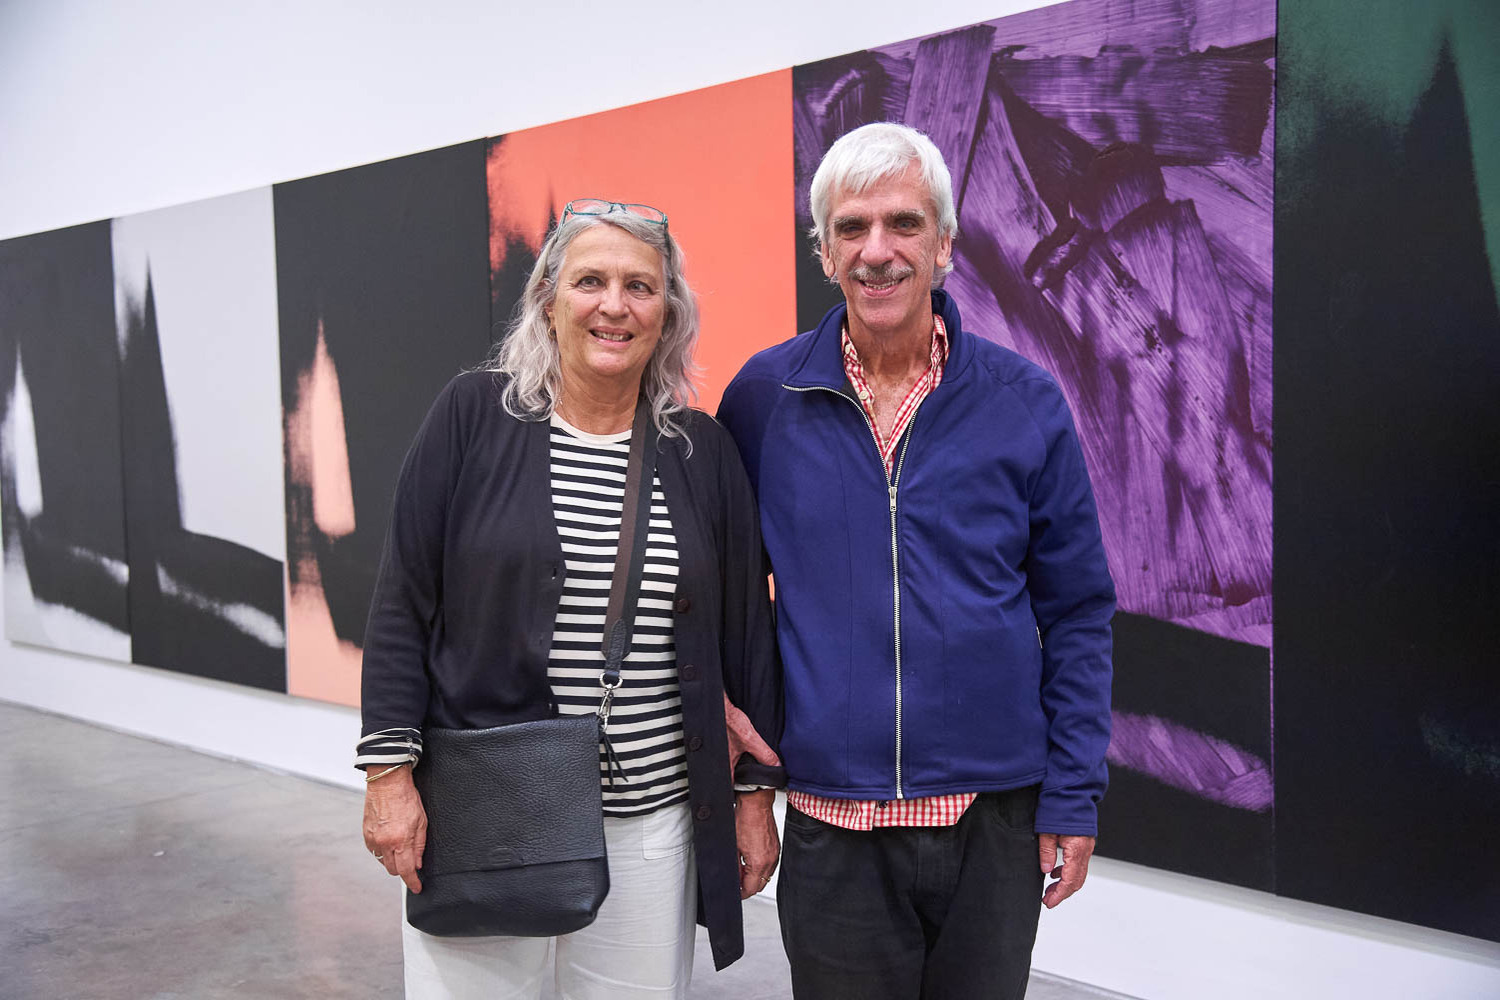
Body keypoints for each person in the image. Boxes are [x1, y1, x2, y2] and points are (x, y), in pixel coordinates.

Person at [717, 123, 1116, 999]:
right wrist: (749, 786)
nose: (878, 250)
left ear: (944, 244)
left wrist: (1073, 793)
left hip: (992, 820)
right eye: (852, 228)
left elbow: (1078, 611)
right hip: (833, 825)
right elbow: (725, 605)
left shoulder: (1024, 402)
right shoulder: (762, 400)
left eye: (904, 223)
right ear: (824, 251)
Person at [356, 198, 784, 999]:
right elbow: (401, 605)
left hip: (651, 828)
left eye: (640, 287)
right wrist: (388, 777)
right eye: (590, 281)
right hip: (487, 819)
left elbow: (746, 634)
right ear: (548, 299)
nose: (614, 306)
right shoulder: (472, 418)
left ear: (667, 313)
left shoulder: (703, 453)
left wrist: (755, 796)